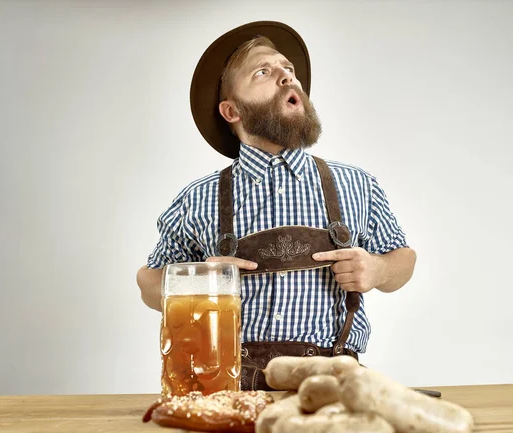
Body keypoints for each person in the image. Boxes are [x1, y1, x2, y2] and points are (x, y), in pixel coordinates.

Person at [136, 21, 417, 390]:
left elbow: (404, 260)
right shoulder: (197, 198)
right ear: (231, 111)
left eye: (289, 69)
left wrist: (378, 269)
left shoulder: (356, 184)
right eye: (264, 72)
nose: (286, 77)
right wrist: (202, 280)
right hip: (224, 385)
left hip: (331, 382)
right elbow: (148, 283)